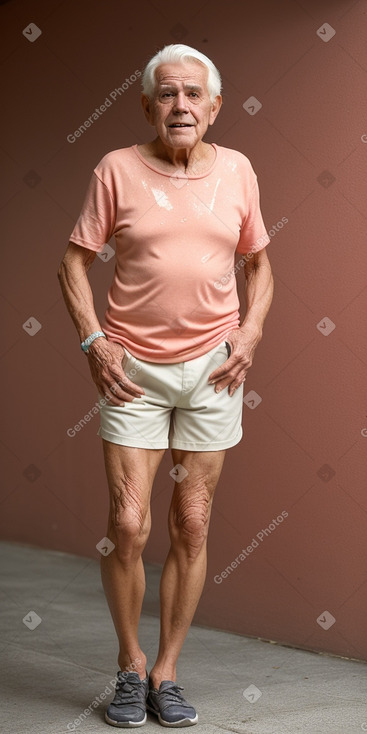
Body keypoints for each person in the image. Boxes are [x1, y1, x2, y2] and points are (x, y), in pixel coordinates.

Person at [58, 43, 273, 728]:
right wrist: (95, 341)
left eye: (193, 95)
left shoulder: (237, 170)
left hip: (214, 367)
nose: (181, 105)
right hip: (134, 371)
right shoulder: (115, 169)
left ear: (213, 108)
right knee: (127, 523)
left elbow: (260, 267)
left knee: (193, 520)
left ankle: (166, 672)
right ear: (148, 104)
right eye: (167, 94)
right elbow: (72, 261)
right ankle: (127, 665)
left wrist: (250, 334)